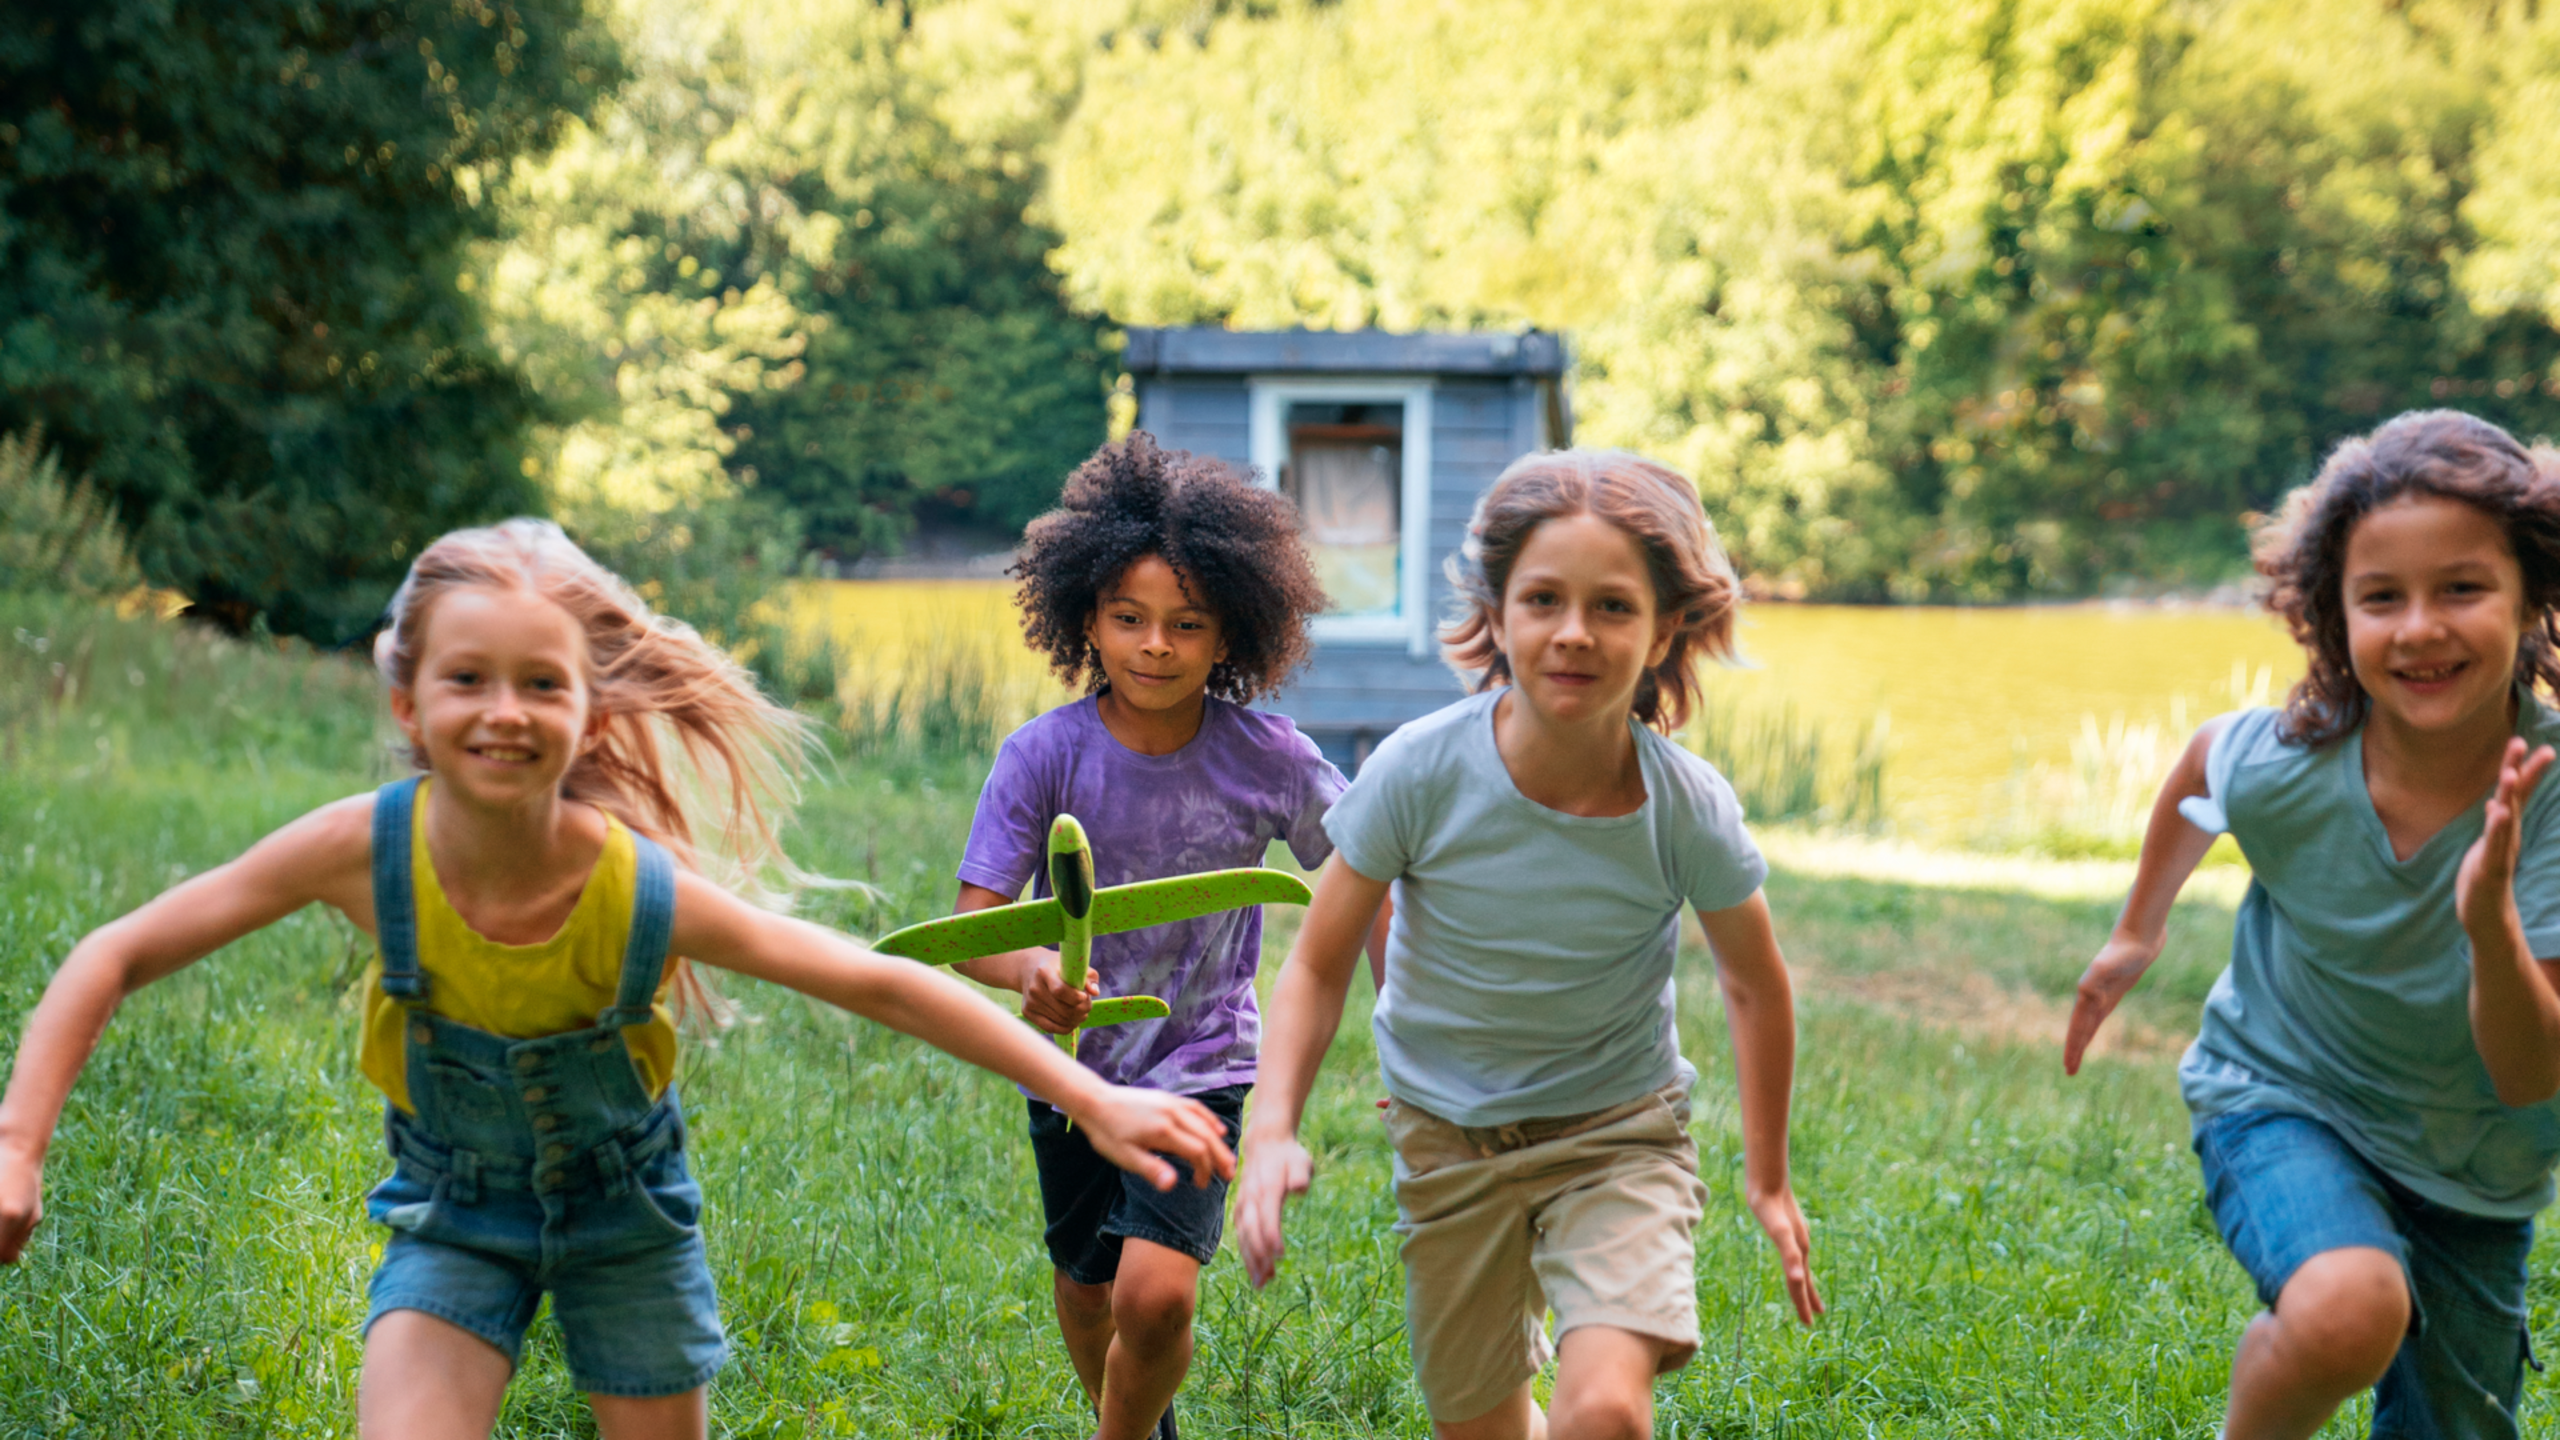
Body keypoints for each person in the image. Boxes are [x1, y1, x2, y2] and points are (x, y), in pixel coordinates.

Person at [0, 519, 1234, 1440]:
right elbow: (117, 953)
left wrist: (1094, 1095)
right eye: (467, 680)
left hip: (624, 1224)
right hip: (451, 1216)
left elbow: (875, 983)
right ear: (406, 700)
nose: (504, 712)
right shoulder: (358, 851)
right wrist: (16, 1140)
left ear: (591, 718)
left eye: (543, 684)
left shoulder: (628, 885)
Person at [1234, 448, 1823, 1440]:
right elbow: (1317, 961)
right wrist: (1271, 1126)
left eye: (1614, 607)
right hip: (1447, 1143)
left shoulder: (1684, 807)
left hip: (1617, 1138)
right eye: (1543, 599)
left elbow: (1755, 986)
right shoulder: (1420, 769)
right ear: (1498, 612)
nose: (1574, 634)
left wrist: (1767, 1180)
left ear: (1665, 626)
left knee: (1600, 1412)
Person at [2065, 410, 2560, 1440]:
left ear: (2530, 597)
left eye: (2461, 588)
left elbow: (2527, 1073)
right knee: (2348, 1309)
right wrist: (2134, 933)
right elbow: (2204, 760)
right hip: (2283, 1094)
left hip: (2477, 1166)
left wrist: (2486, 923)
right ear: (2333, 617)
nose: (2418, 627)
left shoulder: (2550, 795)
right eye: (2381, 598)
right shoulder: (2291, 759)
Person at [947, 432, 1365, 1440]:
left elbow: (1359, 873)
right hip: (1075, 1068)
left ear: (1231, 633)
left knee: (1155, 1297)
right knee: (1089, 1288)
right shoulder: (1040, 756)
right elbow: (972, 932)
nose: (1155, 646)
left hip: (1205, 1061)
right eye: (1128, 619)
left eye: (1187, 625)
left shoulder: (1270, 758)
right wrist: (1032, 970)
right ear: (1084, 616)